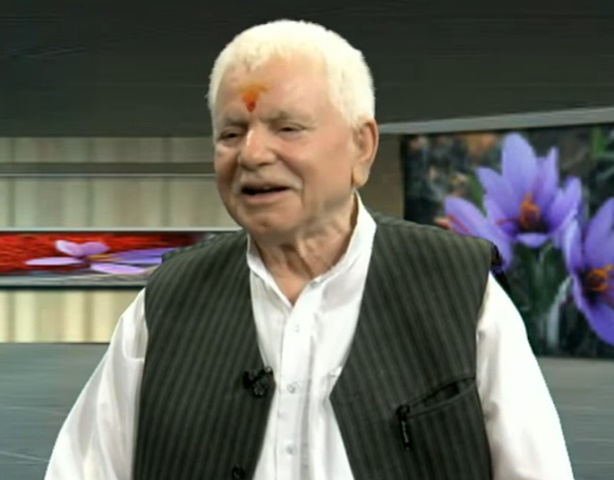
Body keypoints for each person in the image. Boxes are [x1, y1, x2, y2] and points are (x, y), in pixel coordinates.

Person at [45, 19, 575, 480]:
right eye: (231, 133)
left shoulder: (461, 292)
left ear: (361, 146)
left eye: (288, 128)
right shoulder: (165, 305)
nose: (252, 153)